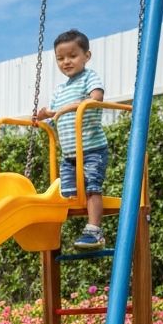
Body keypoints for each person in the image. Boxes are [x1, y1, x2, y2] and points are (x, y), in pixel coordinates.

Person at [36, 28, 109, 250]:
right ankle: (70, 231)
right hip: (69, 155)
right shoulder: (59, 90)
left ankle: (95, 230)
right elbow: (55, 116)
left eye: (72, 56)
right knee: (67, 194)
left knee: (91, 188)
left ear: (86, 56)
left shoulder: (89, 77)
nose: (66, 61)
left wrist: (69, 107)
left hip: (92, 149)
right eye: (61, 58)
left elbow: (96, 98)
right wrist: (43, 117)